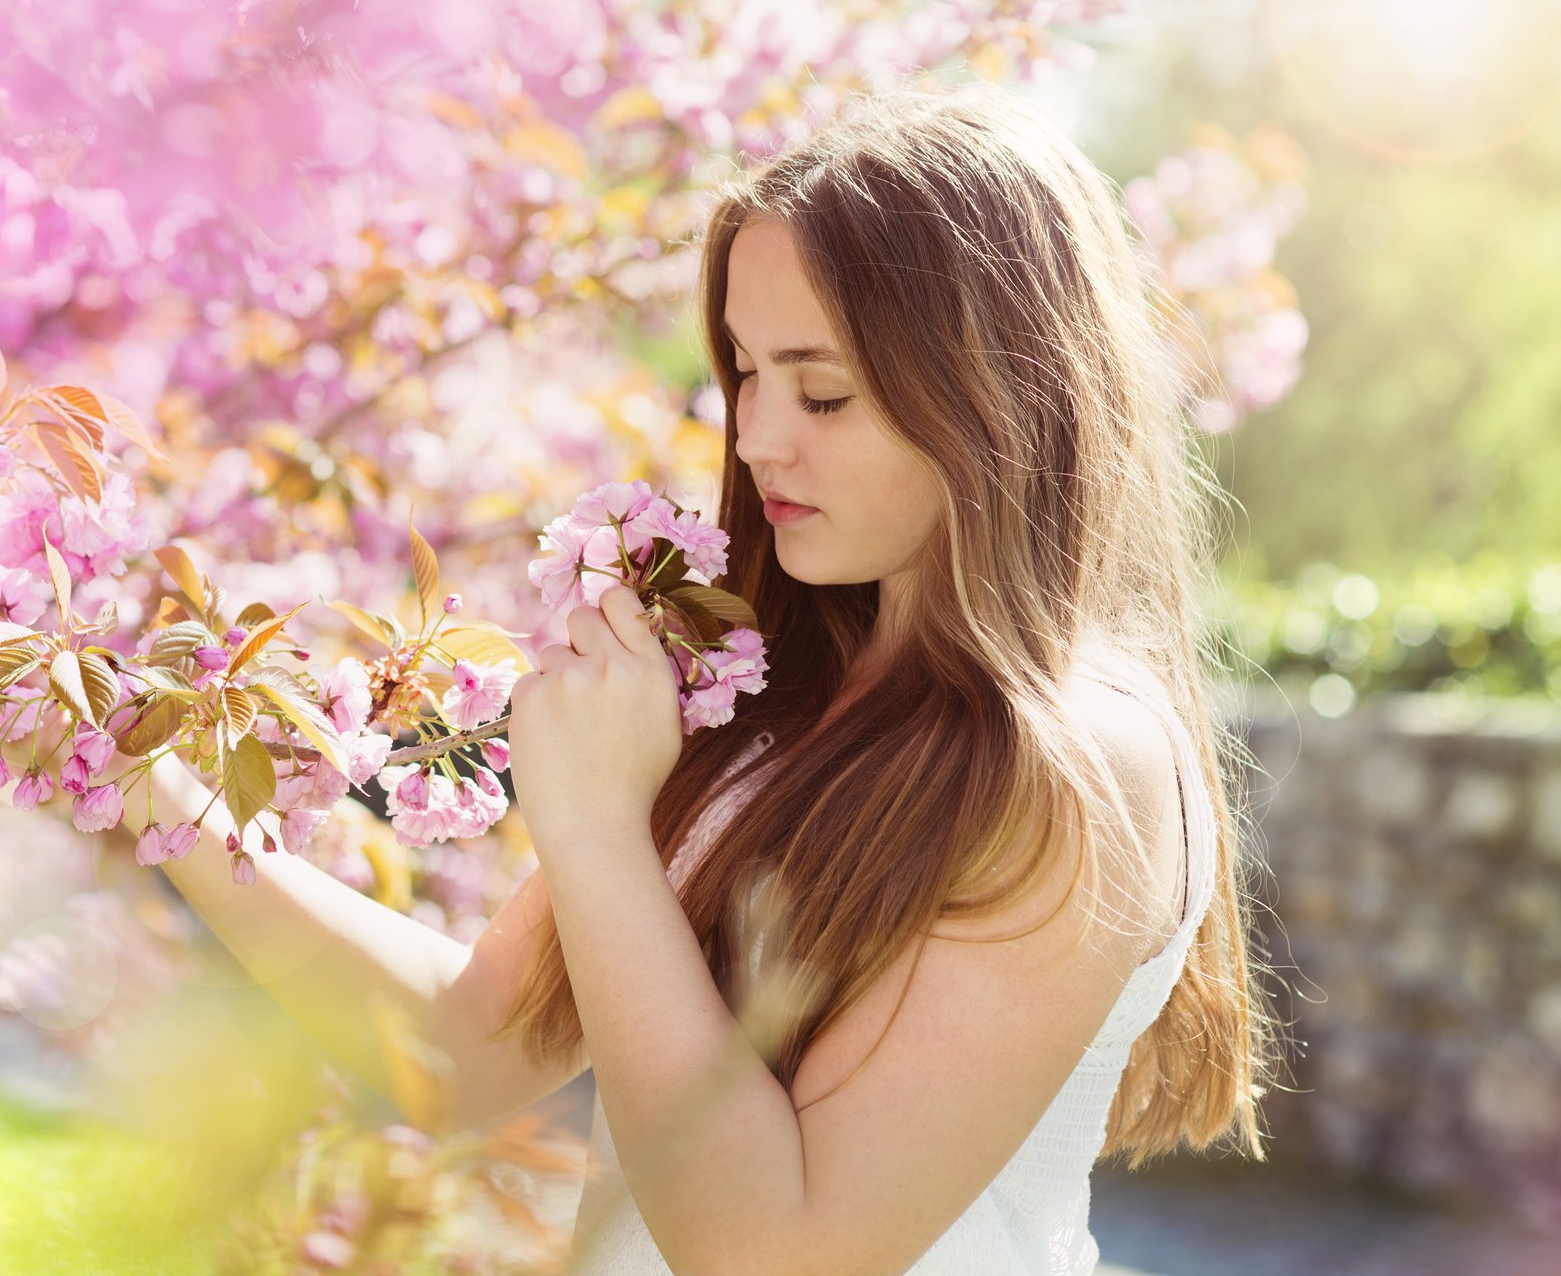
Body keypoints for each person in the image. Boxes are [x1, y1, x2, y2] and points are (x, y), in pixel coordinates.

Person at [126, 77, 1279, 1275]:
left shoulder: (1080, 764)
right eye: (744, 372)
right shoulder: (769, 692)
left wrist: (596, 826)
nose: (757, 437)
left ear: (1001, 387)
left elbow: (780, 1251)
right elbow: (475, 1052)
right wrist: (162, 794)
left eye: (821, 388)